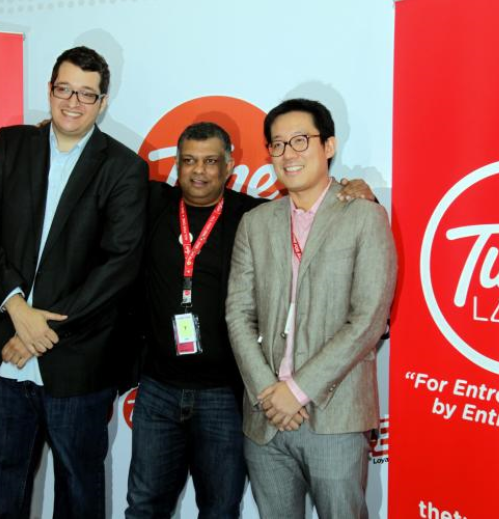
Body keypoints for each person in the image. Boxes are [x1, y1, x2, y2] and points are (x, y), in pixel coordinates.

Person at [125, 121, 375, 518]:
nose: (199, 170)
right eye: (189, 160)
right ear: (177, 165)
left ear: (229, 166)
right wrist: (50, 139)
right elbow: (101, 174)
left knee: (220, 509)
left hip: (225, 395)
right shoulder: (152, 203)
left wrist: (355, 191)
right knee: (143, 506)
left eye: (211, 161)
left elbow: (311, 209)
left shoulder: (254, 215)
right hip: (158, 389)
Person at [0, 45, 148, 519]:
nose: (73, 102)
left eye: (86, 94)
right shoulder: (11, 145)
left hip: (77, 362)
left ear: (103, 102)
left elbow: (117, 266)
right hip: (1, 355)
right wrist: (17, 309)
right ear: (49, 90)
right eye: (64, 89)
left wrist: (40, 331)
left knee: (78, 495)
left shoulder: (124, 168)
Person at [226, 99, 397, 519]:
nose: (288, 153)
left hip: (334, 417)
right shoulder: (256, 222)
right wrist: (269, 393)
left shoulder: (364, 216)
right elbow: (238, 313)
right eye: (278, 144)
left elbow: (368, 319)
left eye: (300, 140)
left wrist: (297, 391)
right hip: (266, 418)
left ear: (329, 146)